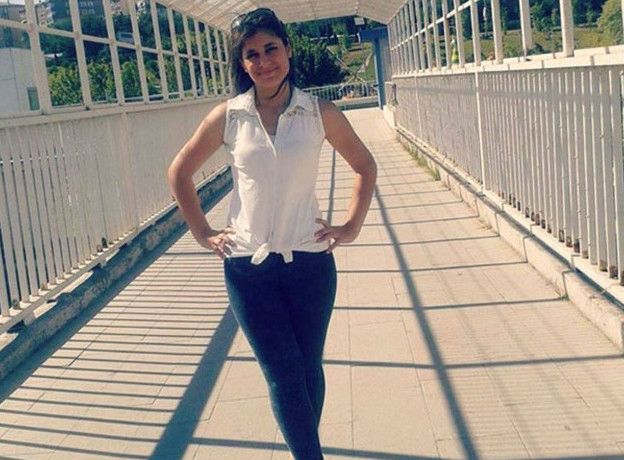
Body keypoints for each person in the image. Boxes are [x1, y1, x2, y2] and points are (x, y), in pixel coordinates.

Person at [167, 8, 377, 460]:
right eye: (252, 54)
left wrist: (351, 226)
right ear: (242, 64)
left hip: (311, 263)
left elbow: (364, 165)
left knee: (307, 368)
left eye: (271, 49)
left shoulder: (318, 112)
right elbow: (179, 172)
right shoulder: (229, 117)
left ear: (288, 50)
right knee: (283, 373)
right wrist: (203, 233)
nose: (264, 62)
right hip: (249, 267)